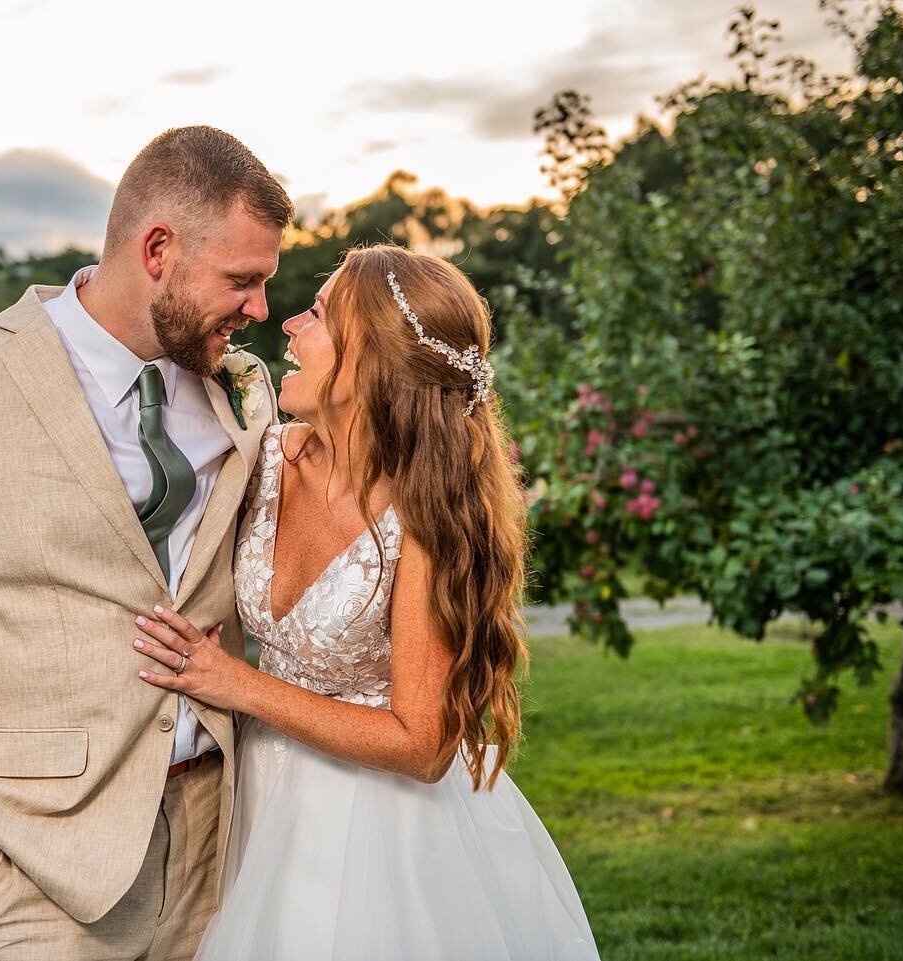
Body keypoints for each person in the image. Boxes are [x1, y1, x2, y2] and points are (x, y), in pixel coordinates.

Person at [0, 125, 291, 960]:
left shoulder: (240, 386)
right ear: (157, 249)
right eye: (242, 280)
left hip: (221, 843)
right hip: (33, 867)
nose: (259, 310)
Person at [130, 244, 601, 960]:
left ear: (374, 358)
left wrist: (235, 682)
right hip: (250, 801)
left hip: (382, 830)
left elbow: (423, 743)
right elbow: (142, 550)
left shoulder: (430, 519)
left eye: (317, 314)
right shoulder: (261, 458)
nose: (286, 323)